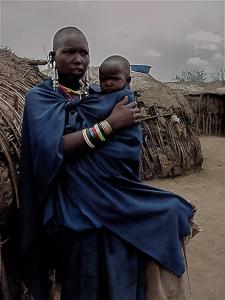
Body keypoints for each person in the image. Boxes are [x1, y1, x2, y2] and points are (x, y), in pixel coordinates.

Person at [19, 26, 194, 300]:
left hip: (111, 192)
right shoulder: (40, 99)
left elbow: (125, 148)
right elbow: (51, 148)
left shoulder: (100, 96)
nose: (78, 59)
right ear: (53, 57)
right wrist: (110, 125)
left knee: (169, 211)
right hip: (70, 202)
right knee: (86, 243)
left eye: (84, 53)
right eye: (70, 52)